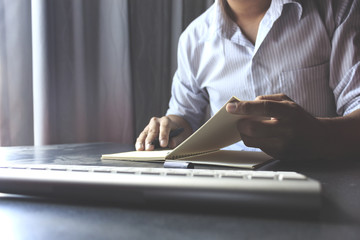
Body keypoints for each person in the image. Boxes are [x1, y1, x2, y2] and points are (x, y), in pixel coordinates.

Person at [136, 0, 360, 161]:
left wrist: (319, 135)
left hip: (321, 177)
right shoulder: (193, 39)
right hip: (226, 185)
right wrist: (168, 127)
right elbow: (184, 117)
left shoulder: (337, 9)